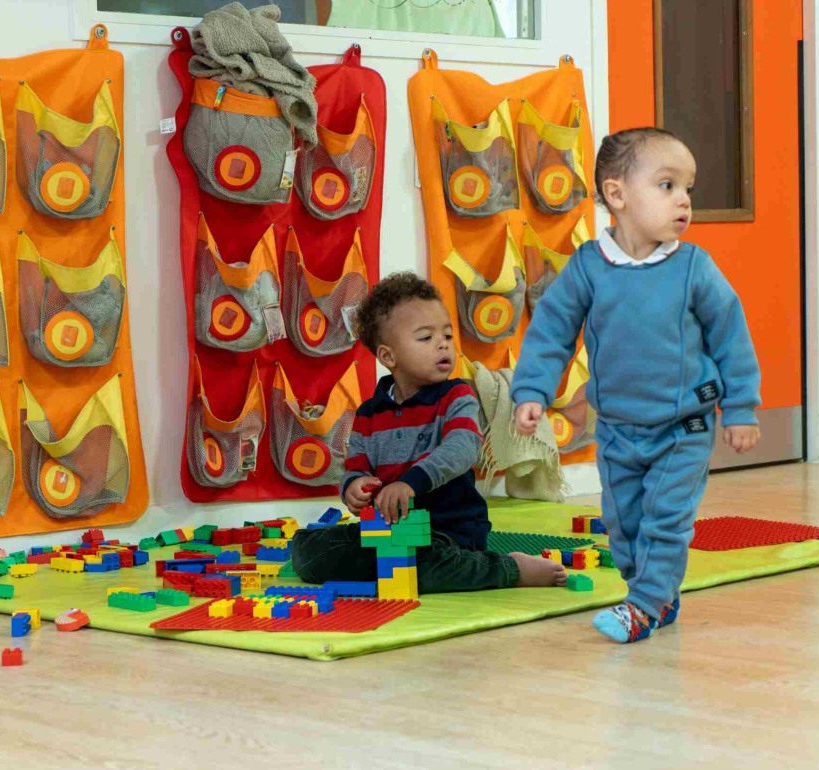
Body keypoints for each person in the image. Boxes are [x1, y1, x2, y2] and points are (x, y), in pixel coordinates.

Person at [512, 127, 762, 642]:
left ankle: (643, 605)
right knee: (624, 525)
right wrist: (532, 390)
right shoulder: (589, 267)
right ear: (617, 195)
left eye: (688, 188)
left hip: (683, 428)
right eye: (667, 186)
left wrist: (740, 407)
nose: (684, 201)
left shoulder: (694, 267)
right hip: (618, 430)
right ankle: (653, 592)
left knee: (665, 520)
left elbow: (731, 336)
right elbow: (552, 329)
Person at [291, 272, 567, 591]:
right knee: (308, 551)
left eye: (447, 336)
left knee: (427, 566)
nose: (442, 344)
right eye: (425, 337)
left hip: (447, 532)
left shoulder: (457, 396)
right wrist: (354, 487)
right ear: (388, 356)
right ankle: (387, 568)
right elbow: (356, 465)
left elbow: (464, 449)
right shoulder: (369, 413)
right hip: (388, 531)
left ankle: (509, 568)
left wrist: (411, 483)